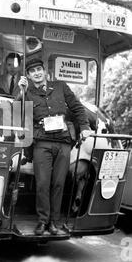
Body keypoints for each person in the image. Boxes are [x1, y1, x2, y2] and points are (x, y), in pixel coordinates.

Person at [18, 58, 91, 235]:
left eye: (39, 69)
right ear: (28, 75)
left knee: (59, 184)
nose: (36, 73)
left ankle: (54, 223)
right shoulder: (26, 92)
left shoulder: (60, 86)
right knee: (43, 184)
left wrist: (85, 127)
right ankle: (43, 221)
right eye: (32, 71)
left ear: (44, 71)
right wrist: (22, 92)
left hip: (63, 142)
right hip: (42, 143)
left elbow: (77, 108)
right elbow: (17, 112)